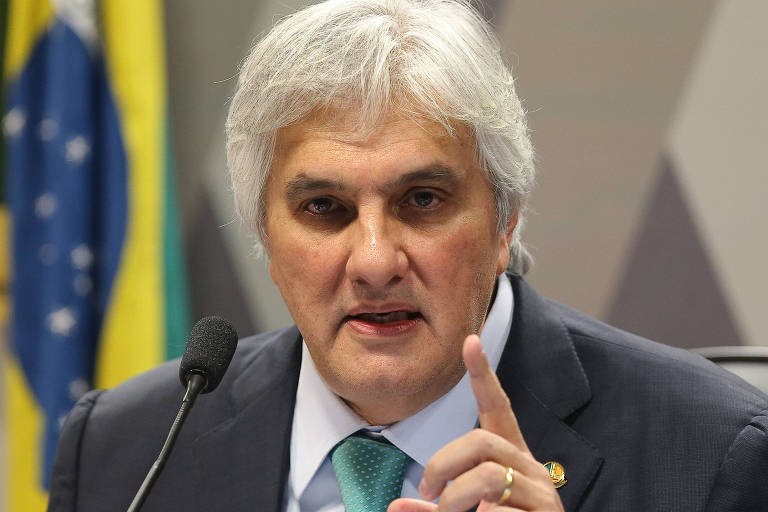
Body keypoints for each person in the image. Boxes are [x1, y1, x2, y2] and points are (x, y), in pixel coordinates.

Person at [48, 1, 768, 511]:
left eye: (422, 199)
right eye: (323, 208)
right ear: (264, 236)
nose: (373, 261)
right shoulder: (123, 451)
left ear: (505, 220)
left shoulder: (712, 457)